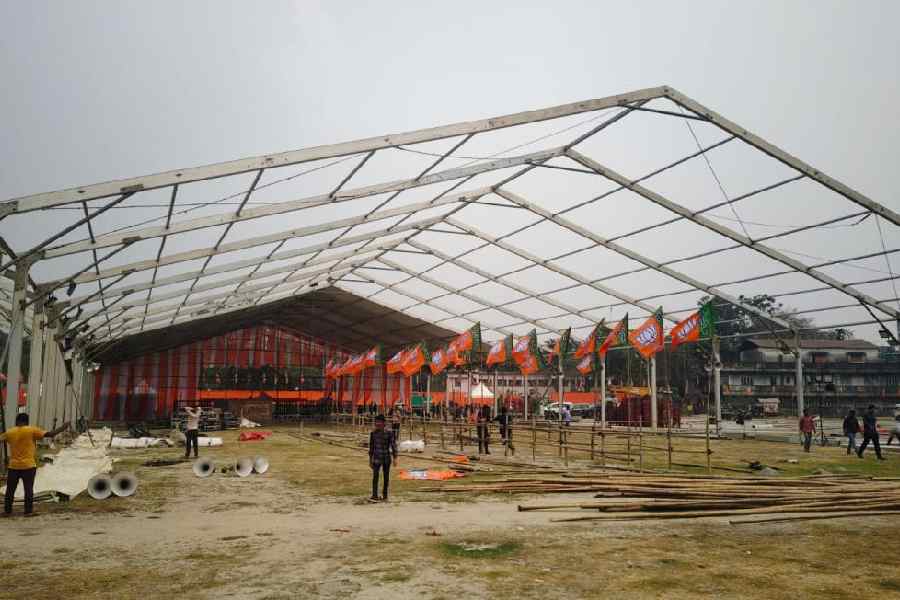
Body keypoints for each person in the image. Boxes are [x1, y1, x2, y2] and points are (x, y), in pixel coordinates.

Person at [1, 414, 69, 517]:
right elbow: (50, 434)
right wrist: (63, 427)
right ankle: (28, 511)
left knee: (10, 490)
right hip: (28, 466)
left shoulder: (10, 432)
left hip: (13, 466)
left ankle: (7, 511)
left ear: (17, 421)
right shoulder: (32, 430)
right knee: (28, 489)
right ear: (27, 421)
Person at [368, 414, 398, 502]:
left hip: (386, 458)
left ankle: (385, 496)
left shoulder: (389, 432)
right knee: (375, 476)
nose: (377, 424)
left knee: (386, 477)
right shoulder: (373, 433)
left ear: (384, 423)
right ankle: (374, 495)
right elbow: (371, 447)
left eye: (379, 422)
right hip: (376, 458)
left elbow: (393, 445)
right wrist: (370, 460)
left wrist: (395, 458)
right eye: (376, 422)